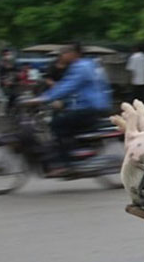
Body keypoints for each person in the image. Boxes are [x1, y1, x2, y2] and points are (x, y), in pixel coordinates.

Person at [24, 43, 112, 176]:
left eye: (65, 52)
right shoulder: (90, 64)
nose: (62, 55)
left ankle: (66, 164)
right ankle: (75, 154)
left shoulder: (80, 67)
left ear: (74, 54)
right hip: (94, 106)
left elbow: (68, 86)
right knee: (65, 122)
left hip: (88, 108)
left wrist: (43, 99)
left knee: (56, 124)